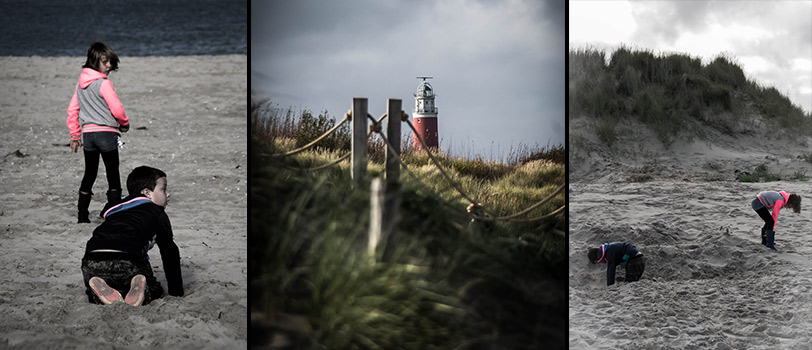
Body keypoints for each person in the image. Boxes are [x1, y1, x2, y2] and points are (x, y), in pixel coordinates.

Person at [80, 166, 193, 306]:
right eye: (163, 189)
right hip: (128, 259)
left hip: (91, 258)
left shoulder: (115, 209)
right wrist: (177, 291)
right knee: (154, 289)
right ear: (147, 193)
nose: (168, 194)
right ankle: (138, 285)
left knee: (99, 285)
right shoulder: (158, 214)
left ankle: (103, 289)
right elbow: (169, 252)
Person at [67, 42, 130, 223]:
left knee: (90, 173)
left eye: (110, 62)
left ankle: (82, 215)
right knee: (113, 173)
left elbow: (73, 110)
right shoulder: (104, 84)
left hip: (88, 135)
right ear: (94, 61)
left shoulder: (80, 85)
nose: (109, 66)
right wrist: (124, 123)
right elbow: (117, 109)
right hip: (106, 133)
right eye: (105, 62)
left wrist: (75, 136)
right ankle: (115, 212)